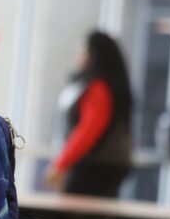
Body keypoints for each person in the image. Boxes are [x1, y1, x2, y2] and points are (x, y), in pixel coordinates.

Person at [46, 31, 133, 197]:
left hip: (96, 167)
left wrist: (61, 164)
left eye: (84, 51)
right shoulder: (107, 87)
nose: (80, 56)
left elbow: (88, 130)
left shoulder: (98, 88)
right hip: (105, 165)